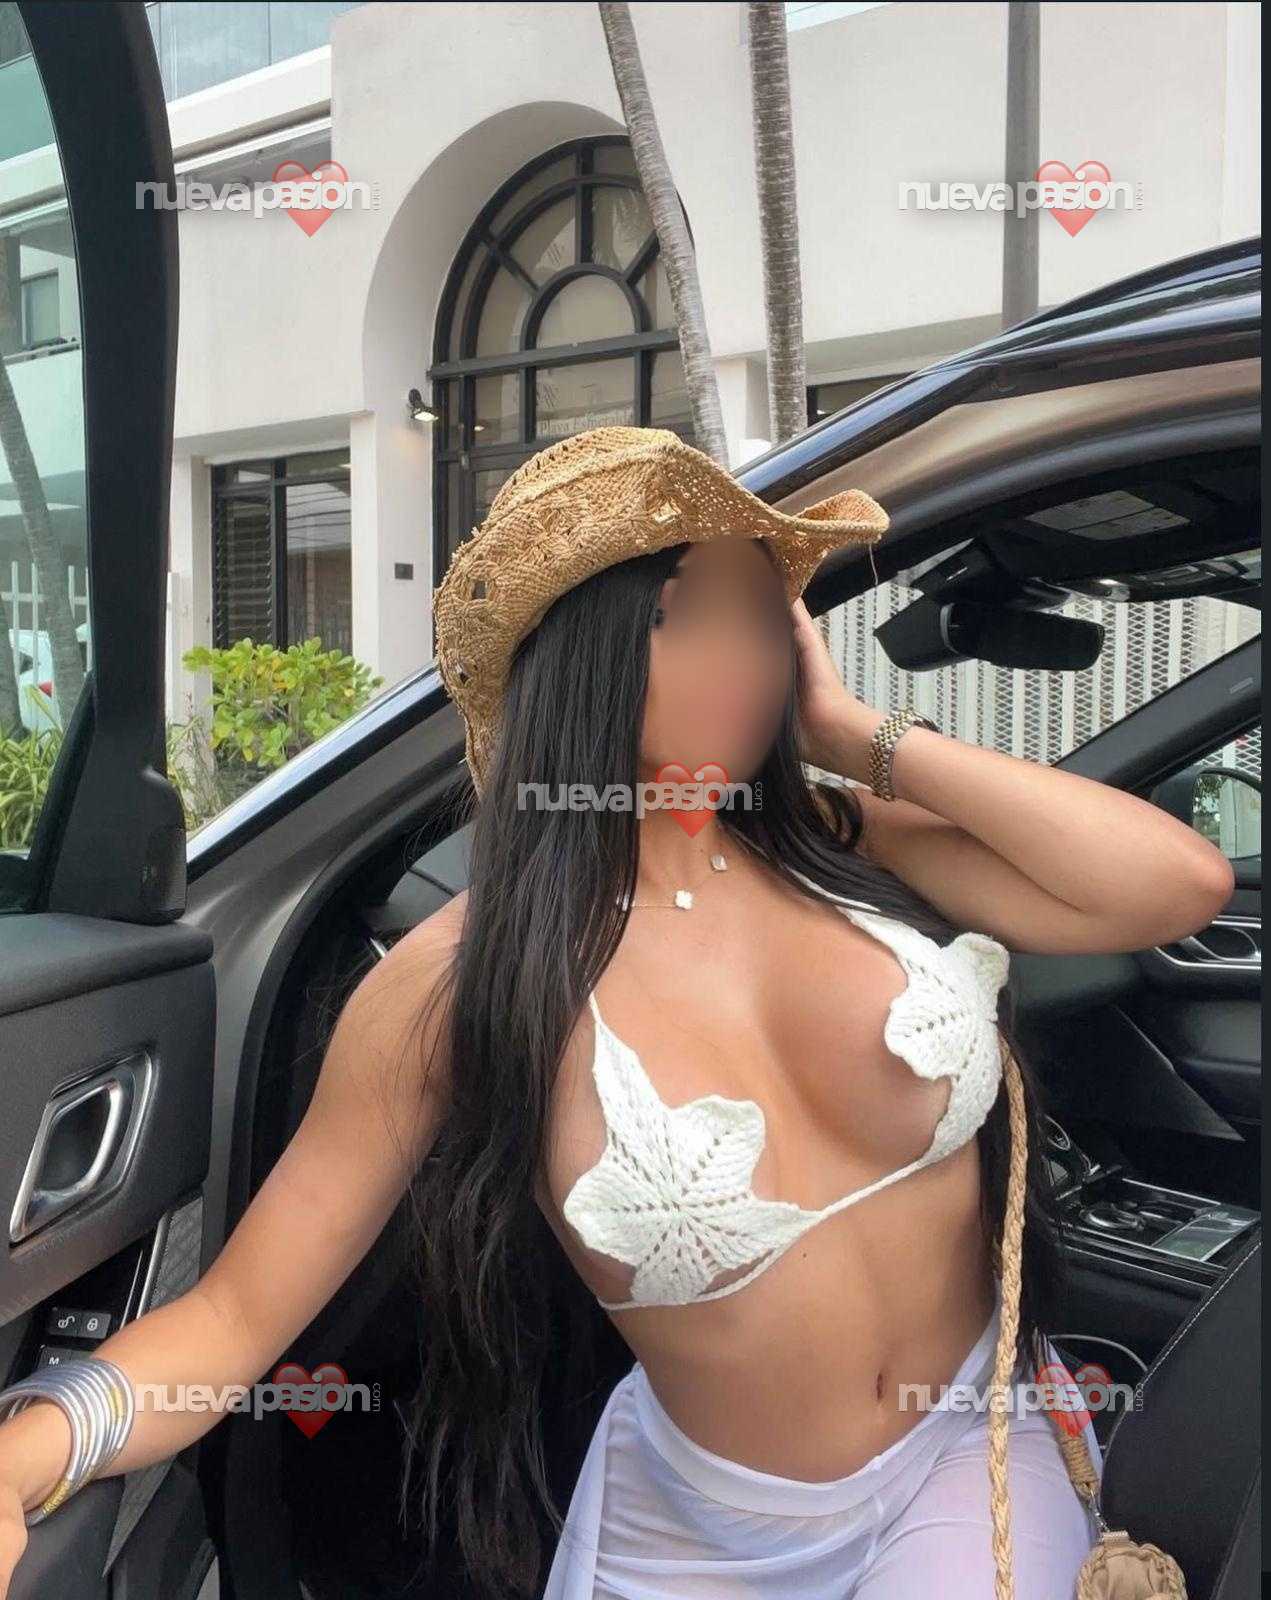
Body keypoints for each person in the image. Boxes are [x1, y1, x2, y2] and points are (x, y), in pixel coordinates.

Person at [0, 426, 1231, 1600]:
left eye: (759, 614)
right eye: (679, 613)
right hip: (697, 1522)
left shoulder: (842, 842)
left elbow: (1173, 884)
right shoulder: (461, 979)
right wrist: (29, 1450)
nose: (737, 655)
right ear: (575, 652)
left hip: (965, 1454)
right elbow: (234, 1316)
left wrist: (857, 735)